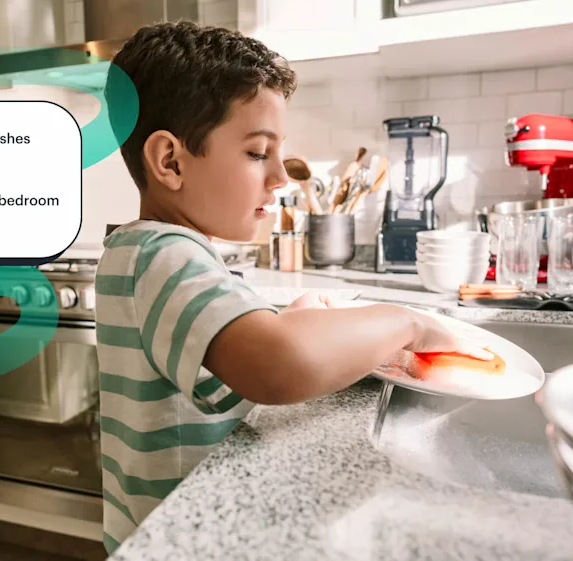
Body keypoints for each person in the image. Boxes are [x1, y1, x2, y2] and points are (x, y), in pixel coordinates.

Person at [95, 20, 490, 554]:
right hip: (186, 539)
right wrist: (409, 323)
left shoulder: (148, 251)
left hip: (166, 530)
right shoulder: (163, 254)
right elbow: (277, 367)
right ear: (170, 161)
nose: (281, 176)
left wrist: (293, 321)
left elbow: (218, 370)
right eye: (258, 152)